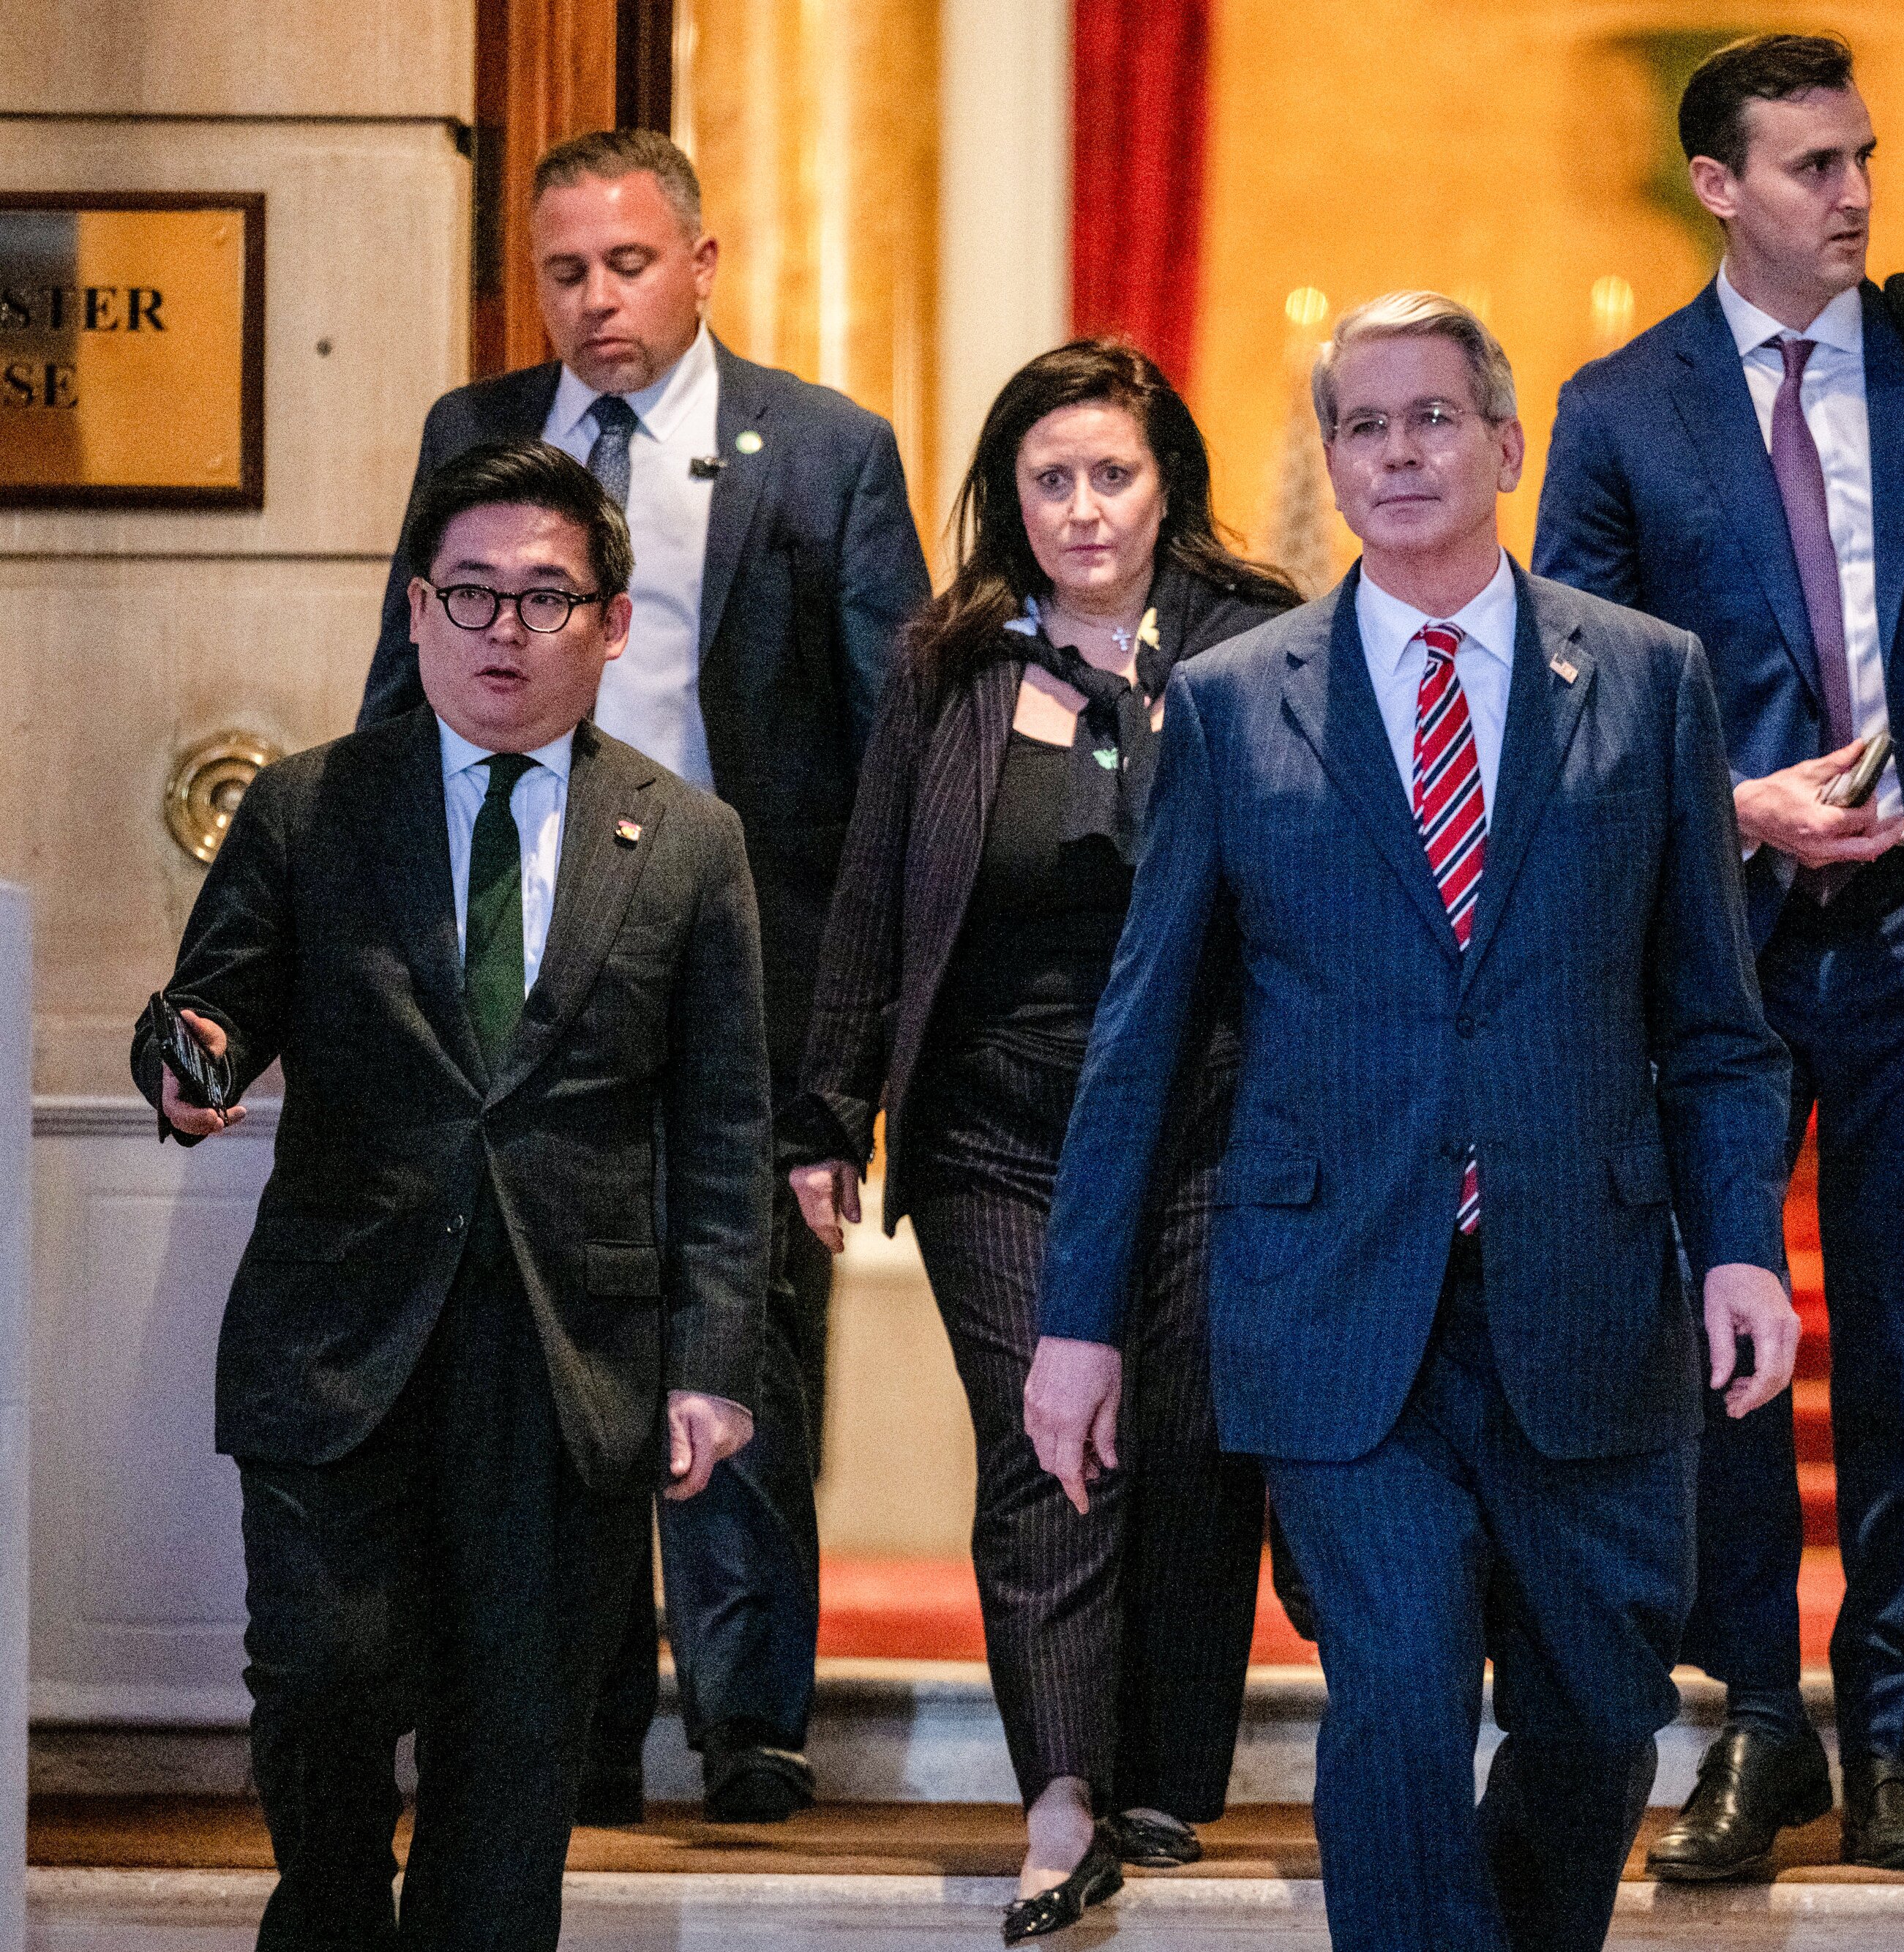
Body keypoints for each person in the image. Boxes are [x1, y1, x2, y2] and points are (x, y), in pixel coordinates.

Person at [1024, 293, 1798, 1952]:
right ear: (1329, 460)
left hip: (1586, 1283)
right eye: (1362, 426)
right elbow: (1141, 1037)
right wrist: (1076, 1320)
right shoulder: (1237, 703)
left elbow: (1715, 1023)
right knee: (1391, 1692)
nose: (1397, 452)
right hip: (1335, 1299)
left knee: (1598, 1701)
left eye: (1433, 417)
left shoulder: (1646, 683)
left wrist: (1739, 1241)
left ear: (1507, 447)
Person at [1534, 33, 1904, 1875]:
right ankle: (1754, 1726)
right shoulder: (1620, 408)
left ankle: (1893, 1739)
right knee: (1724, 1342)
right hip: (1716, 944)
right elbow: (1571, 699)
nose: (1852, 192)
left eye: (1861, 157)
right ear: (1718, 184)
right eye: (1807, 165)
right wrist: (1737, 801)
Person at [357, 128, 931, 1823]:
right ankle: (580, 1721)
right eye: (564, 271)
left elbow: (892, 753)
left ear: (701, 260)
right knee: (556, 1342)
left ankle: (751, 1720)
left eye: (626, 263)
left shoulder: (823, 450)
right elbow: (401, 696)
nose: (596, 301)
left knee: (740, 1325)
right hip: (513, 969)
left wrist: (855, 1049)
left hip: (738, 953)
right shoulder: (473, 438)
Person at [134, 439, 771, 1949]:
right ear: (414, 609)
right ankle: (335, 1914)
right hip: (336, 1344)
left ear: (612, 623)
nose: (504, 630)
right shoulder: (307, 809)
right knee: (321, 1672)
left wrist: (713, 1364)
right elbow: (210, 1010)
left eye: (544, 598)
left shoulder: (688, 841)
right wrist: (191, 1060)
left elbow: (726, 1129)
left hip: (567, 1362)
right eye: (470, 592)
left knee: (516, 1737)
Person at [784, 340, 1299, 1940]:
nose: (1084, 508)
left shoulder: (1259, 640)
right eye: (1051, 478)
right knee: (1046, 1439)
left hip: (1210, 1115)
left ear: (1169, 484)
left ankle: (1163, 1769)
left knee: (1197, 1431)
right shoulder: (947, 664)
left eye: (1114, 474)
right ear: (1009, 496)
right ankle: (1062, 1785)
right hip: (994, 1127)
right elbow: (874, 890)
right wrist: (827, 1105)